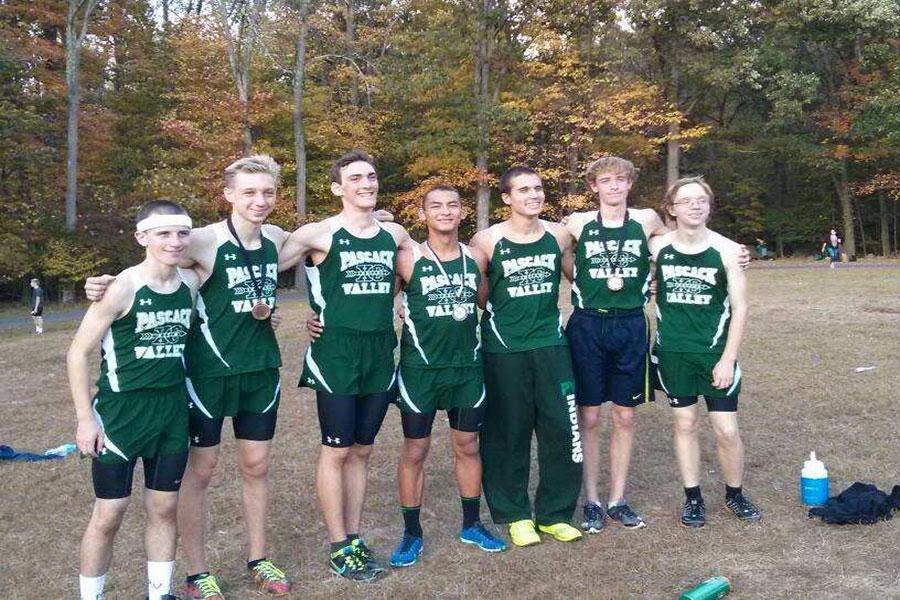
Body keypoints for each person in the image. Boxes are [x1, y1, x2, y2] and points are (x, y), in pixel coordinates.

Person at [86, 156, 294, 599]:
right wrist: (103, 283)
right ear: (229, 195)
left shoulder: (277, 238)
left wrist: (379, 215)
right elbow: (157, 255)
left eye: (268, 192)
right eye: (250, 192)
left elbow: (322, 241)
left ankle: (259, 557)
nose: (260, 201)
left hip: (260, 371)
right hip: (207, 376)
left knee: (257, 466)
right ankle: (197, 571)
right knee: (201, 472)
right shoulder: (202, 239)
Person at [308, 185, 507, 567]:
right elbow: (367, 296)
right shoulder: (407, 258)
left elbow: (489, 302)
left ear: (463, 212)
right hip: (420, 371)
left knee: (468, 446)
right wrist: (318, 316)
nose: (445, 212)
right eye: (436, 206)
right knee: (416, 449)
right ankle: (411, 533)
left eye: (452, 205)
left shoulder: (477, 257)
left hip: (466, 368)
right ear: (422, 215)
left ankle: (471, 524)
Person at [277, 150, 415, 581]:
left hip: (379, 353)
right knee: (336, 450)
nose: (366, 184)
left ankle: (353, 537)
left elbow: (422, 267)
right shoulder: (318, 234)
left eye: (371, 177)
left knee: (363, 450)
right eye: (355, 178)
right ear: (338, 188)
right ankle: (339, 545)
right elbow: (259, 260)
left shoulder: (393, 234)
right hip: (335, 354)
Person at [68, 200, 197, 600]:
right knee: (109, 514)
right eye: (163, 234)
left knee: (164, 509)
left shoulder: (190, 283)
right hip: (122, 413)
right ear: (141, 237)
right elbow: (77, 353)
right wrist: (85, 419)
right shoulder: (121, 287)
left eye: (181, 233)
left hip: (172, 412)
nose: (174, 242)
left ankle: (159, 594)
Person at [469, 166, 583, 547]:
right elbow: (478, 296)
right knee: (507, 433)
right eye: (523, 190)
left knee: (562, 429)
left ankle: (554, 514)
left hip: (551, 346)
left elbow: (580, 278)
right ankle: (515, 513)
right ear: (506, 198)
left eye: (537, 188)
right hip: (504, 349)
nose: (533, 195)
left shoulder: (558, 234)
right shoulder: (486, 240)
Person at [562, 157, 669, 532]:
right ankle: (590, 499)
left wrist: (732, 250)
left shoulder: (646, 220)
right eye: (605, 181)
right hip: (588, 323)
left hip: (629, 324)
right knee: (588, 417)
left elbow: (677, 244)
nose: (613, 187)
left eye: (620, 180)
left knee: (624, 415)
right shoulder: (577, 223)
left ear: (629, 184)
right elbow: (549, 247)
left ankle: (617, 499)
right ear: (593, 186)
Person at [649, 176, 762, 528]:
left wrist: (728, 359)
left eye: (701, 200)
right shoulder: (657, 247)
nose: (695, 206)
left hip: (714, 354)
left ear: (710, 206)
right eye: (686, 201)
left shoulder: (729, 250)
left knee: (726, 428)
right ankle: (693, 498)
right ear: (672, 209)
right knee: (685, 423)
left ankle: (734, 494)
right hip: (673, 353)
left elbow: (741, 307)